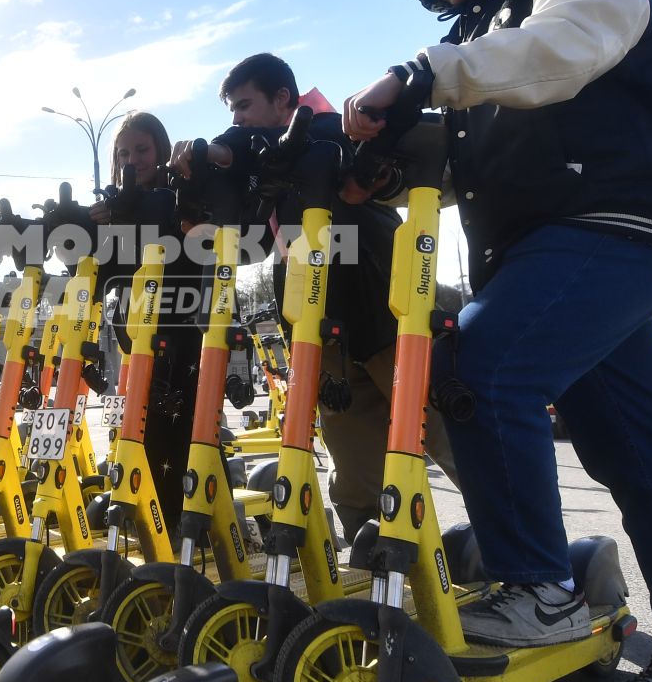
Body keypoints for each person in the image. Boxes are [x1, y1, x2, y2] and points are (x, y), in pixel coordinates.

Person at [342, 0, 652, 682]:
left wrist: (425, 72)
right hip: (558, 248)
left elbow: (564, 51)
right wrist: (381, 169)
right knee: (639, 450)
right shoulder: (476, 40)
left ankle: (541, 592)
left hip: (617, 225)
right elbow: (478, 164)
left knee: (475, 366)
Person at [173, 52, 463, 542]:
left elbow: (305, 149)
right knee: (356, 479)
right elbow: (255, 245)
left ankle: (533, 567)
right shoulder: (274, 166)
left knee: (454, 445)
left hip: (388, 319)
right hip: (324, 337)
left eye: (244, 105)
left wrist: (226, 150)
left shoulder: (334, 131)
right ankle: (381, 578)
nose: (237, 119)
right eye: (232, 112)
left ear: (282, 98)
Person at [89, 111, 201, 531]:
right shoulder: (112, 206)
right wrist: (97, 227)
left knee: (179, 424)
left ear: (159, 148)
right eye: (123, 152)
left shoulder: (179, 193)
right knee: (136, 426)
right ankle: (141, 511)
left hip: (180, 328)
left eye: (141, 149)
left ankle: (180, 518)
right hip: (132, 333)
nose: (132, 158)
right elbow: (102, 275)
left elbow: (195, 254)